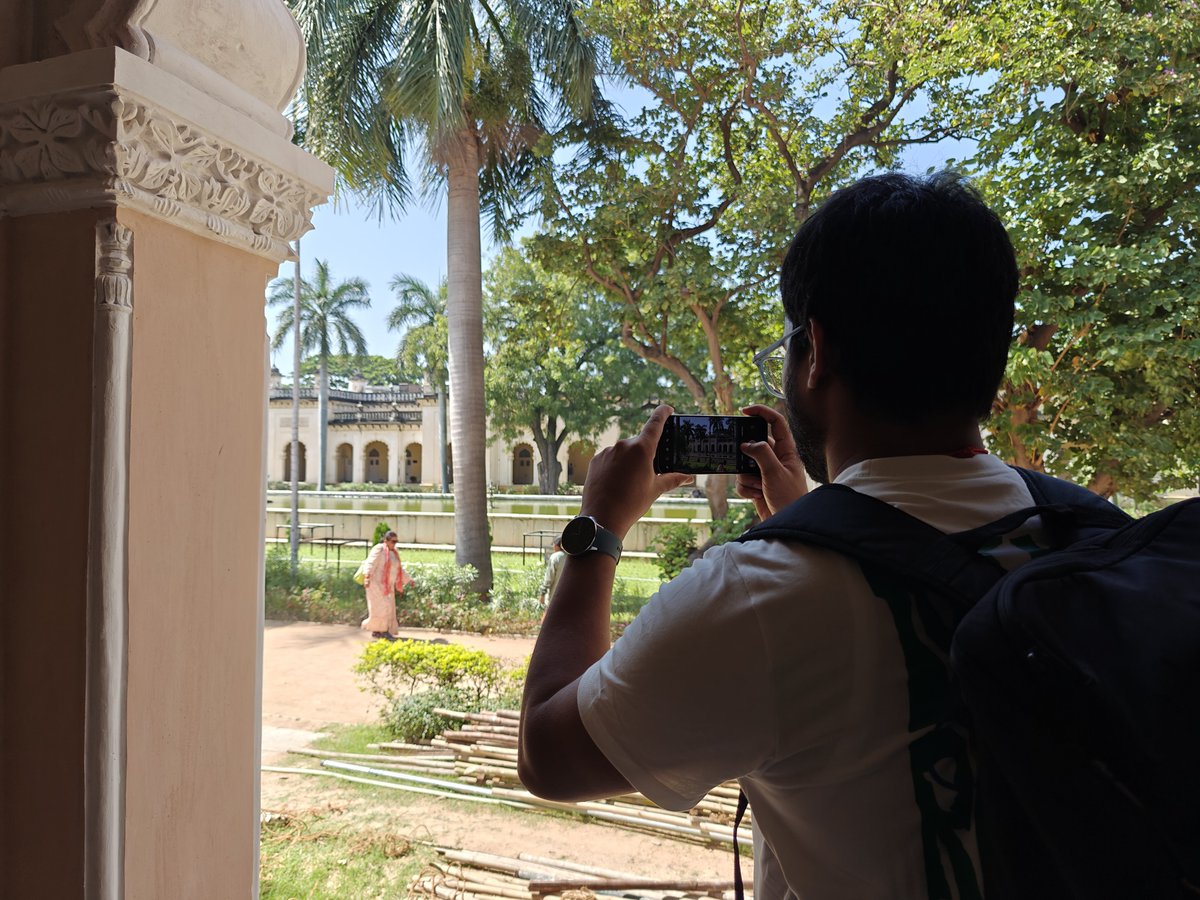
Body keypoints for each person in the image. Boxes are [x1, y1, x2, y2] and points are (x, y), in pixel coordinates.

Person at [519, 172, 1029, 899]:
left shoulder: (763, 595)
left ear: (815, 350)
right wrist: (818, 519)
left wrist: (597, 528)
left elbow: (547, 754)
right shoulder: (1093, 538)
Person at [360, 530, 410, 641]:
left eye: (396, 541)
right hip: (375, 585)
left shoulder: (394, 552)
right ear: (386, 541)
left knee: (388, 608)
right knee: (381, 608)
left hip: (388, 586)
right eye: (393, 541)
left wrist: (409, 580)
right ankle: (381, 631)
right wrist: (367, 577)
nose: (395, 544)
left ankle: (379, 631)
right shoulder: (379, 549)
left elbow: (399, 569)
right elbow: (370, 562)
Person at [536, 538, 566, 608]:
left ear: (556, 546)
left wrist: (542, 594)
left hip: (554, 598)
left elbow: (549, 578)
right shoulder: (573, 557)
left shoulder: (555, 557)